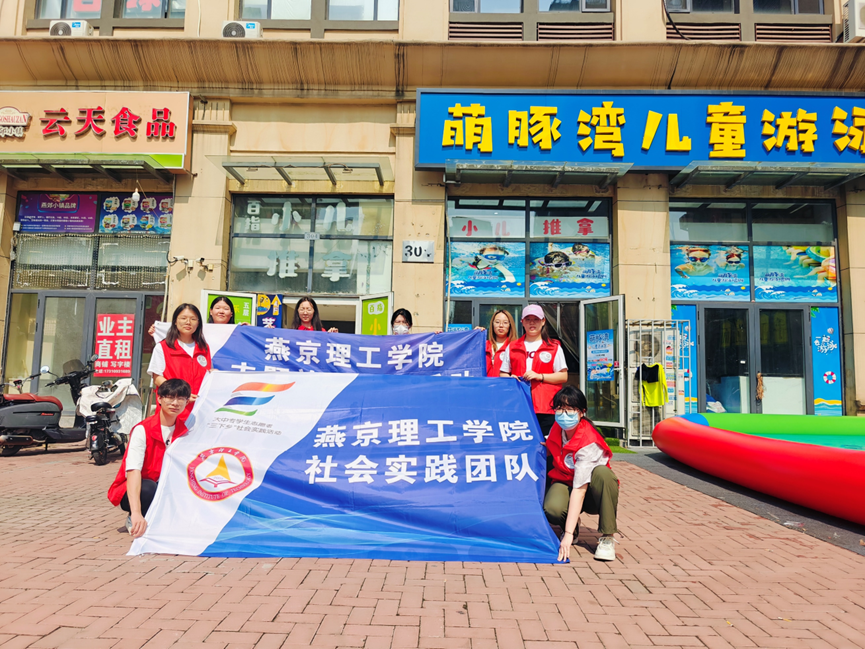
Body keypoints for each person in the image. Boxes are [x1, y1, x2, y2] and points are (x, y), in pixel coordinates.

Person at [107, 378, 191, 537]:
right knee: (148, 488)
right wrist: (136, 512)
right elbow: (133, 471)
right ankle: (136, 517)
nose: (175, 403)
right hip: (138, 489)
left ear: (187, 402)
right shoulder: (142, 430)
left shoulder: (185, 431)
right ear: (159, 399)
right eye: (170, 397)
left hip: (166, 485)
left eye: (181, 398)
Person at [544, 385, 619, 562]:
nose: (564, 414)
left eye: (570, 409)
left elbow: (580, 490)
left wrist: (567, 535)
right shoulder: (557, 429)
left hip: (592, 493)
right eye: (560, 409)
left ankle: (607, 537)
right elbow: (549, 444)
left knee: (603, 474)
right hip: (566, 482)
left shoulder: (588, 441)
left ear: (582, 412)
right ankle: (572, 524)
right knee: (552, 509)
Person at [499, 304, 568, 437]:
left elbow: (563, 376)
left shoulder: (553, 347)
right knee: (520, 440)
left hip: (546, 406)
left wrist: (540, 376)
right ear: (522, 322)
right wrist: (509, 378)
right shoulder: (512, 347)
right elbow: (503, 372)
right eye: (528, 319)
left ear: (543, 321)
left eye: (536, 319)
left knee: (546, 442)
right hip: (519, 403)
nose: (532, 323)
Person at [148, 304, 211, 423]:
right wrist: (181, 394)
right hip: (173, 409)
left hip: (198, 410)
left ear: (198, 323)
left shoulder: (204, 348)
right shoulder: (163, 347)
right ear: (175, 322)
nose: (188, 322)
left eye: (193, 319)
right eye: (183, 318)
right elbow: (157, 378)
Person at [147, 295, 246, 337]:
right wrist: (158, 331)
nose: (221, 311)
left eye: (226, 309)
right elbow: (181, 337)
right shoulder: (199, 330)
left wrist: (249, 329)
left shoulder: (239, 332)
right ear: (211, 311)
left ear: (231, 313)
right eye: (217, 308)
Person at [486, 309, 517, 377]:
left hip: (505, 383)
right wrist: (476, 336)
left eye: (505, 322)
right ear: (492, 324)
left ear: (510, 325)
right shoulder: (484, 346)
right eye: (497, 322)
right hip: (484, 383)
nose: (501, 325)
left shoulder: (515, 347)